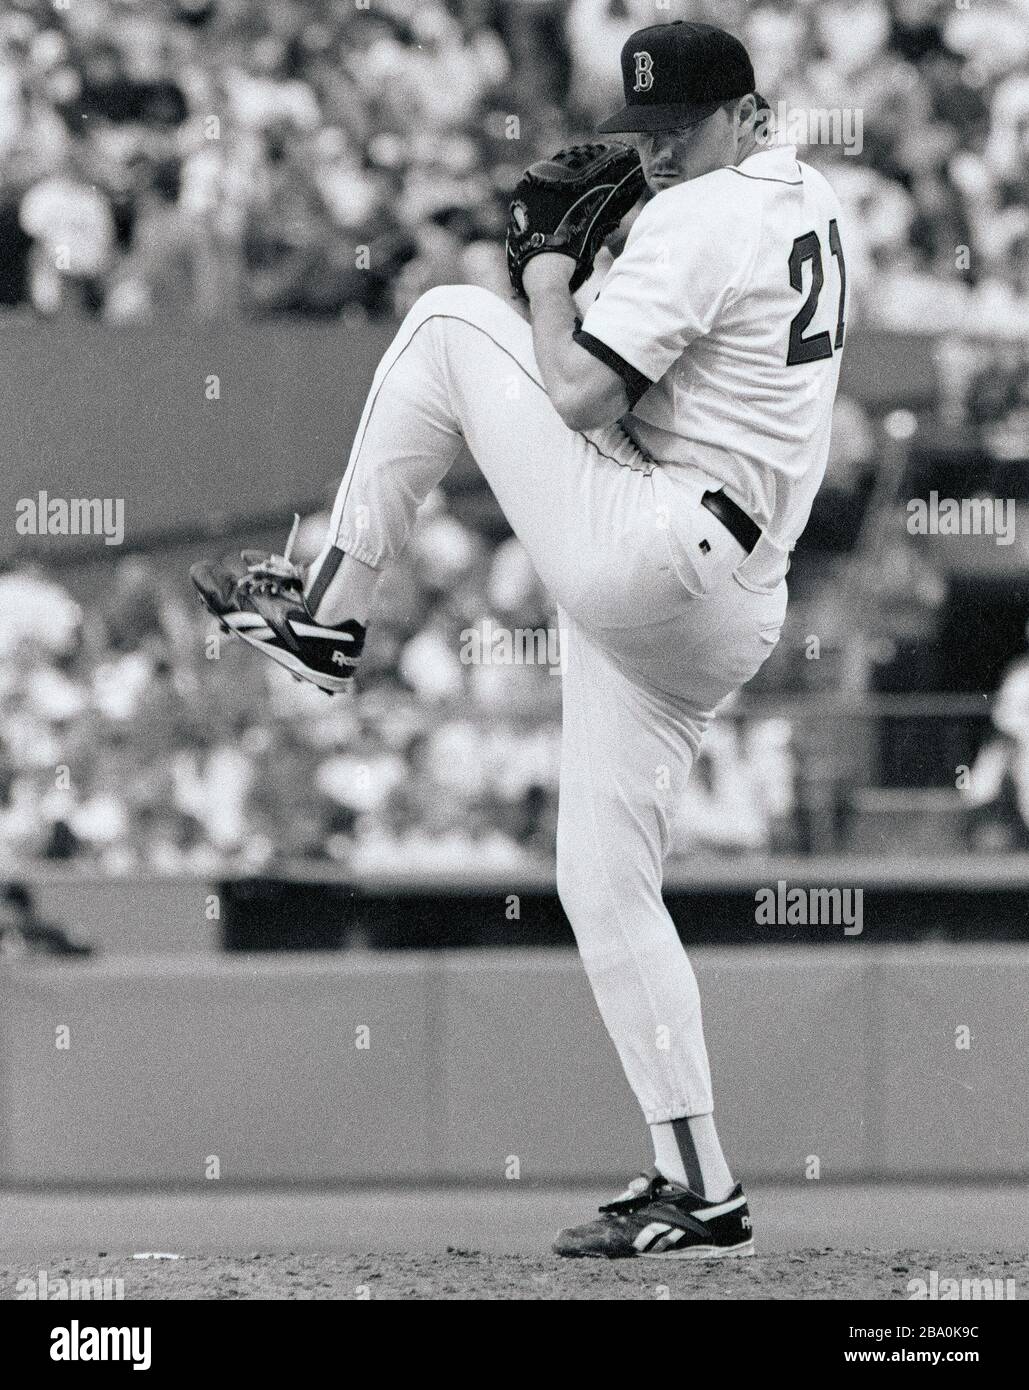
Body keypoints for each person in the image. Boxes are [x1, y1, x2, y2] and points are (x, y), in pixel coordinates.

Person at [191, 20, 847, 1260]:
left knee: (447, 320)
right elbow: (675, 362)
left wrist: (550, 272)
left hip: (657, 547)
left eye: (681, 131)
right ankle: (699, 1180)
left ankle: (329, 613)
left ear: (748, 118)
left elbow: (581, 391)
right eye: (642, 131)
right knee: (601, 880)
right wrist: (608, 265)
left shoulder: (706, 217)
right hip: (722, 598)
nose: (655, 154)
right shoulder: (804, 195)